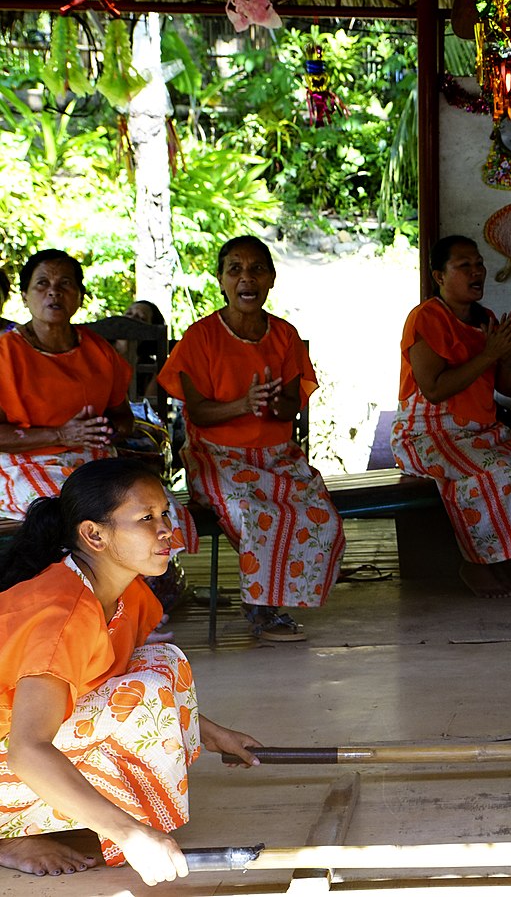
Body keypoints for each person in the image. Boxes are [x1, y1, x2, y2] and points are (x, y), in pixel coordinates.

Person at [0, 458, 261, 886]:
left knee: (162, 667)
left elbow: (110, 679)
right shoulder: (62, 615)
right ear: (95, 535)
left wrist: (211, 733)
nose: (166, 531)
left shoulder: (124, 590)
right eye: (145, 518)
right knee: (143, 696)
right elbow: (27, 748)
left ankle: (91, 820)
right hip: (14, 752)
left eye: (164, 515)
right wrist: (129, 832)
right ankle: (9, 837)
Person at [158, 236, 346, 643]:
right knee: (254, 512)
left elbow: (290, 407)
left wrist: (274, 403)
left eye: (257, 269)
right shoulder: (200, 337)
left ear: (272, 279)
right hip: (216, 456)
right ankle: (262, 610)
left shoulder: (284, 335)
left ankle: (280, 595)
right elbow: (200, 412)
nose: (247, 278)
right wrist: (244, 404)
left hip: (278, 457)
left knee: (323, 517)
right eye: (235, 270)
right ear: (221, 281)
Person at [392, 236, 511, 598]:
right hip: (426, 435)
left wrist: (504, 356)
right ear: (439, 276)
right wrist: (490, 353)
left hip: (481, 432)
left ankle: (501, 560)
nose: (477, 272)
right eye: (464, 265)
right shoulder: (426, 317)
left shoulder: (487, 319)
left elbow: (510, 388)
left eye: (479, 263)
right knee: (497, 474)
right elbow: (435, 389)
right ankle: (476, 565)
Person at [0, 250, 197, 551]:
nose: (54, 291)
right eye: (42, 284)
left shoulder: (99, 351)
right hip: (24, 465)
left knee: (155, 508)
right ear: (25, 296)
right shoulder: (5, 354)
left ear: (79, 297)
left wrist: (108, 430)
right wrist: (61, 434)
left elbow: (123, 418)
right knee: (81, 516)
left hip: (93, 462)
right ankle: (78, 592)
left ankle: (139, 593)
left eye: (65, 283)